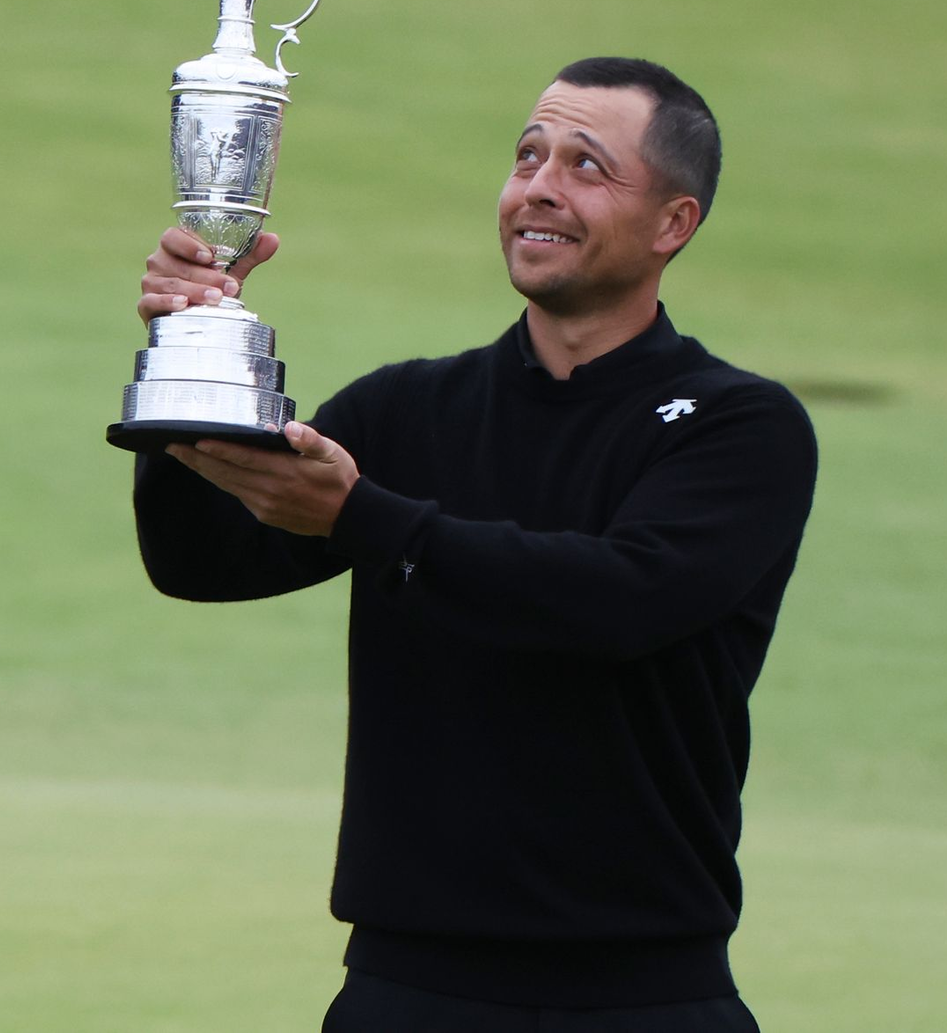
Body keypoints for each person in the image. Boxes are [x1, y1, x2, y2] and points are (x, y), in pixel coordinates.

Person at [132, 58, 817, 1031]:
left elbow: (621, 601)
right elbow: (203, 563)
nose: (539, 185)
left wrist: (361, 516)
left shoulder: (738, 425)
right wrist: (183, 363)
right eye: (528, 155)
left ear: (674, 223)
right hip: (405, 989)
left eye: (587, 165)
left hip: (642, 996)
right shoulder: (407, 409)